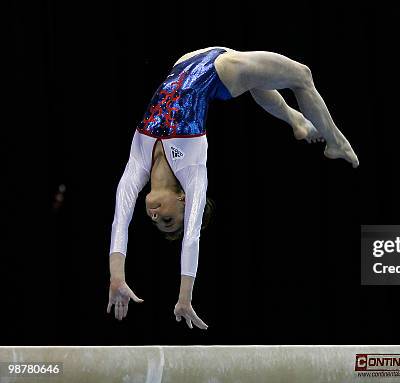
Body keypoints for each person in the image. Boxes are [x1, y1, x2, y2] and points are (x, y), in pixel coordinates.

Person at [106, 47, 359, 329]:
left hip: (186, 62)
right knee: (302, 75)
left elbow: (120, 222)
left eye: (157, 223)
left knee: (257, 80)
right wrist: (184, 297)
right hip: (219, 70)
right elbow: (191, 237)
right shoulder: (192, 173)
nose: (155, 217)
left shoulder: (137, 163)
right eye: (168, 220)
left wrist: (117, 277)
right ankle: (335, 142)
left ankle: (295, 119)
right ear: (183, 200)